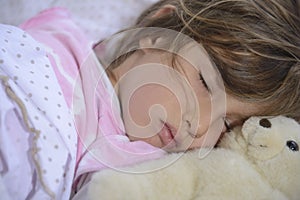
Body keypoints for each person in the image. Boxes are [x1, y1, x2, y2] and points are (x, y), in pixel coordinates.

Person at [0, 0, 299, 199]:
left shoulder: (140, 169)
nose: (200, 125)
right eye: (205, 83)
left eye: (226, 125)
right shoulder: (60, 38)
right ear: (158, 31)